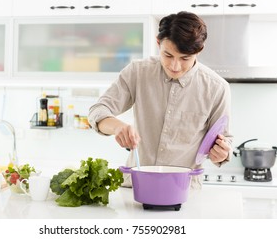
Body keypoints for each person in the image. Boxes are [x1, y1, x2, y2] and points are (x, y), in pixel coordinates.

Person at [88, 11, 232, 188]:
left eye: (185, 58)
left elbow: (223, 139)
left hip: (183, 190)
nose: (175, 66)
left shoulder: (217, 88)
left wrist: (222, 152)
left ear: (199, 51)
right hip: (135, 187)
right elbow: (98, 111)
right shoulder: (138, 72)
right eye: (168, 55)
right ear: (158, 43)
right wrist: (118, 127)